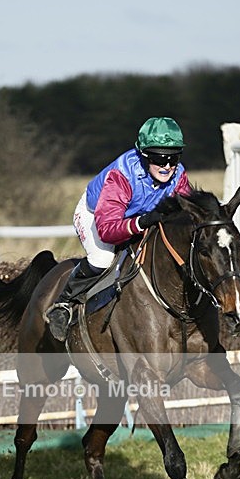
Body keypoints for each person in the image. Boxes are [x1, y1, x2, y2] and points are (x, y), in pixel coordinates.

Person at [46, 116, 193, 342]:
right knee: (103, 258)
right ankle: (63, 304)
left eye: (173, 158)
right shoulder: (122, 175)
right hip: (98, 215)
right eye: (159, 157)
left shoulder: (178, 176)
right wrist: (141, 222)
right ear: (144, 155)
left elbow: (187, 215)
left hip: (136, 217)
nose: (167, 166)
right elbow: (107, 230)